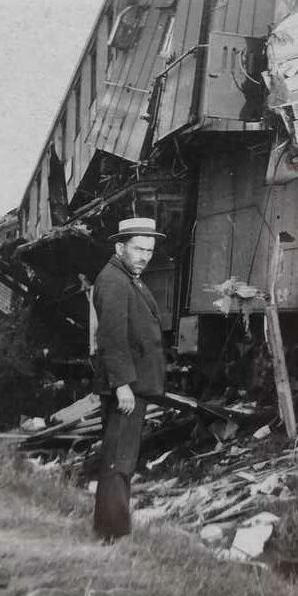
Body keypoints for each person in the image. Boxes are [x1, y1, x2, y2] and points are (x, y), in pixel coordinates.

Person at [92, 217, 167, 542]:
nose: (145, 256)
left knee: (120, 456)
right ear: (120, 247)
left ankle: (111, 528)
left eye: (149, 250)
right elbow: (112, 337)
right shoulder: (115, 281)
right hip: (127, 387)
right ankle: (111, 533)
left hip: (132, 384)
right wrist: (122, 384)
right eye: (138, 249)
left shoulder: (126, 278)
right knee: (118, 459)